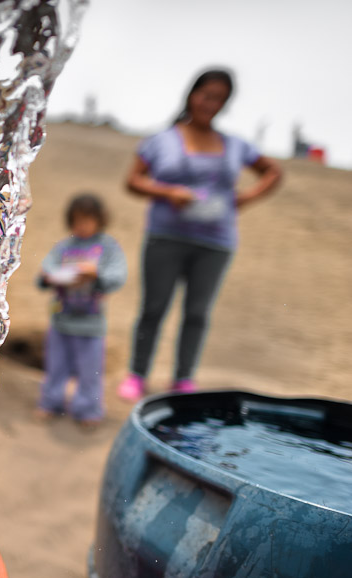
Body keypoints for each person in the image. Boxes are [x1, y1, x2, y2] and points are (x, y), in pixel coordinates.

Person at [118, 68, 282, 401]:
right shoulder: (162, 140)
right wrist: (167, 192)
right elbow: (133, 181)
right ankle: (137, 374)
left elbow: (273, 172)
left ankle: (183, 380)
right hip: (166, 235)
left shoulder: (235, 145)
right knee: (154, 308)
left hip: (216, 242)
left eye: (219, 99)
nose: (211, 103)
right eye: (207, 95)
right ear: (193, 94)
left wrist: (246, 197)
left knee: (197, 313)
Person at [36, 194, 127, 428]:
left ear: (99, 220)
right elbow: (46, 271)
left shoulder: (108, 247)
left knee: (90, 370)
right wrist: (51, 277)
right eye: (77, 221)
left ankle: (88, 409)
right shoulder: (64, 246)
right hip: (61, 319)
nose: (82, 226)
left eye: (88, 220)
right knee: (55, 365)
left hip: (91, 322)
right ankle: (51, 403)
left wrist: (96, 274)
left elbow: (118, 275)